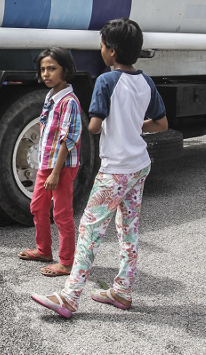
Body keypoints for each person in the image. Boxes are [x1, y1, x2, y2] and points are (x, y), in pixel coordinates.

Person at [31, 18, 168, 318]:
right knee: (128, 229)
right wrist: (133, 125)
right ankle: (122, 290)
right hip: (139, 166)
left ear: (112, 52)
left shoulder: (106, 81)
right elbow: (161, 123)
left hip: (115, 170)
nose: (101, 50)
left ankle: (69, 297)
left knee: (89, 231)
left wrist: (103, 120)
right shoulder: (147, 81)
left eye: (103, 46)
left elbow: (93, 127)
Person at [18, 47, 81, 278]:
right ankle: (44, 250)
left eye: (52, 69)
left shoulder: (69, 101)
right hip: (47, 165)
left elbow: (69, 138)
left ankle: (67, 262)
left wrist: (55, 173)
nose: (46, 74)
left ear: (66, 70)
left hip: (61, 168)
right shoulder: (51, 97)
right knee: (37, 207)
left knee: (62, 214)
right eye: (43, 69)